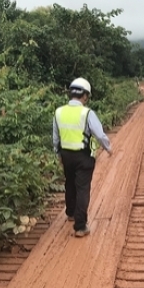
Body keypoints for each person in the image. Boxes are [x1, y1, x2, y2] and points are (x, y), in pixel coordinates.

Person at [52, 77, 113, 238]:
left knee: (69, 183)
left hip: (66, 154)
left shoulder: (59, 112)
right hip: (83, 156)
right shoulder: (87, 113)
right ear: (84, 95)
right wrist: (108, 148)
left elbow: (56, 138)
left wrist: (58, 155)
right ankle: (80, 226)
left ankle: (70, 213)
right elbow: (99, 134)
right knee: (82, 188)